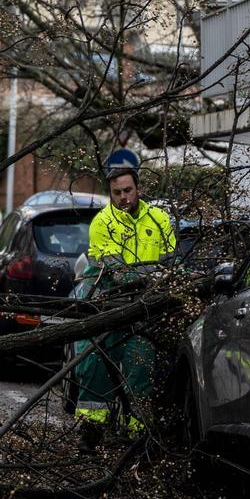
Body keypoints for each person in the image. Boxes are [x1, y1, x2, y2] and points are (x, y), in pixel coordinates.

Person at [73, 166, 176, 452]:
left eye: (127, 190)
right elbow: (116, 270)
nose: (123, 197)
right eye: (116, 192)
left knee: (140, 365)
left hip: (146, 310)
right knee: (95, 364)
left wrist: (159, 281)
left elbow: (170, 263)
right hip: (111, 306)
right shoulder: (102, 223)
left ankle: (138, 435)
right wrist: (149, 277)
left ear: (138, 189)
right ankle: (91, 430)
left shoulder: (159, 219)